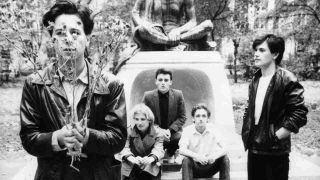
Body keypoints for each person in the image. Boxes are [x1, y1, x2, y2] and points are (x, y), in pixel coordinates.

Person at [19, 1, 127, 180]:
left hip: (98, 175)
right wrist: (58, 138)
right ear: (52, 39)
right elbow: (29, 138)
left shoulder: (111, 85)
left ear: (88, 38)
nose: (68, 39)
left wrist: (86, 136)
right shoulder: (35, 84)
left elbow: (117, 138)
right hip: (53, 175)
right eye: (60, 33)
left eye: (75, 32)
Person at [241, 34, 308, 180]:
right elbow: (250, 109)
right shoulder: (255, 80)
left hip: (276, 151)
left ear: (275, 54)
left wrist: (274, 137)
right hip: (254, 148)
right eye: (255, 50)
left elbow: (299, 114)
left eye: (262, 50)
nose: (256, 54)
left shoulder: (287, 79)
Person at [142, 68, 186, 162]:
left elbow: (182, 117)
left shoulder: (178, 95)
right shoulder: (148, 96)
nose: (163, 83)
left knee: (180, 137)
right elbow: (143, 117)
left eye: (166, 80)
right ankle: (155, 157)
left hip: (173, 134)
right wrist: (159, 130)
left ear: (170, 82)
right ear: (156, 81)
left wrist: (170, 130)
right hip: (154, 132)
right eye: (160, 80)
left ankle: (170, 154)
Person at [131, 0, 213, 51]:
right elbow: (135, 13)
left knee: (208, 25)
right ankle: (168, 41)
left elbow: (192, 21)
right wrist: (146, 25)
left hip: (179, 34)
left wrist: (178, 31)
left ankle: (169, 41)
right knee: (141, 30)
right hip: (156, 31)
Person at [179, 103, 230, 180]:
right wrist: (197, 156)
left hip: (210, 166)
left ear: (208, 119)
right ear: (193, 118)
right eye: (198, 116)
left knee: (225, 159)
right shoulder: (187, 130)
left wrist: (214, 156)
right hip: (194, 168)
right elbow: (182, 149)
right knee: (186, 160)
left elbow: (226, 148)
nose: (201, 119)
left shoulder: (214, 129)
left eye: (204, 116)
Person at [120, 104, 164, 180]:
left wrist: (150, 159)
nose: (139, 123)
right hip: (132, 163)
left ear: (149, 120)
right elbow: (124, 148)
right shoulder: (128, 131)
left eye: (143, 119)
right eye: (136, 119)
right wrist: (132, 158)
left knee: (152, 171)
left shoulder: (158, 132)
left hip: (150, 164)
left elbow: (158, 149)